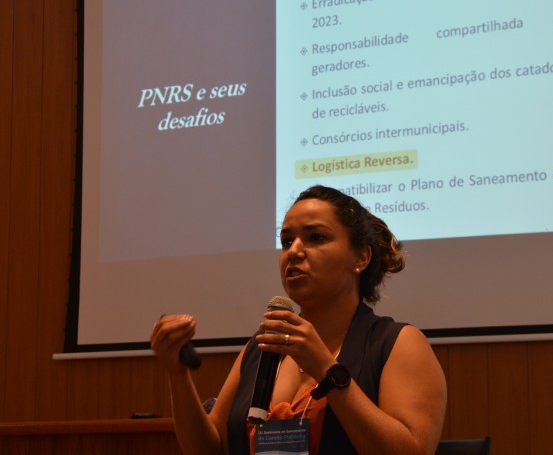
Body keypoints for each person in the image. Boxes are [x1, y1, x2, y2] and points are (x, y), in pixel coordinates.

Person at [151, 185, 446, 455]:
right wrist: (178, 376)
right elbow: (209, 449)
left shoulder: (397, 344)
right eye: (286, 240)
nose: (294, 251)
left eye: (316, 238)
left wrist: (326, 369)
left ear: (361, 258)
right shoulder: (261, 348)